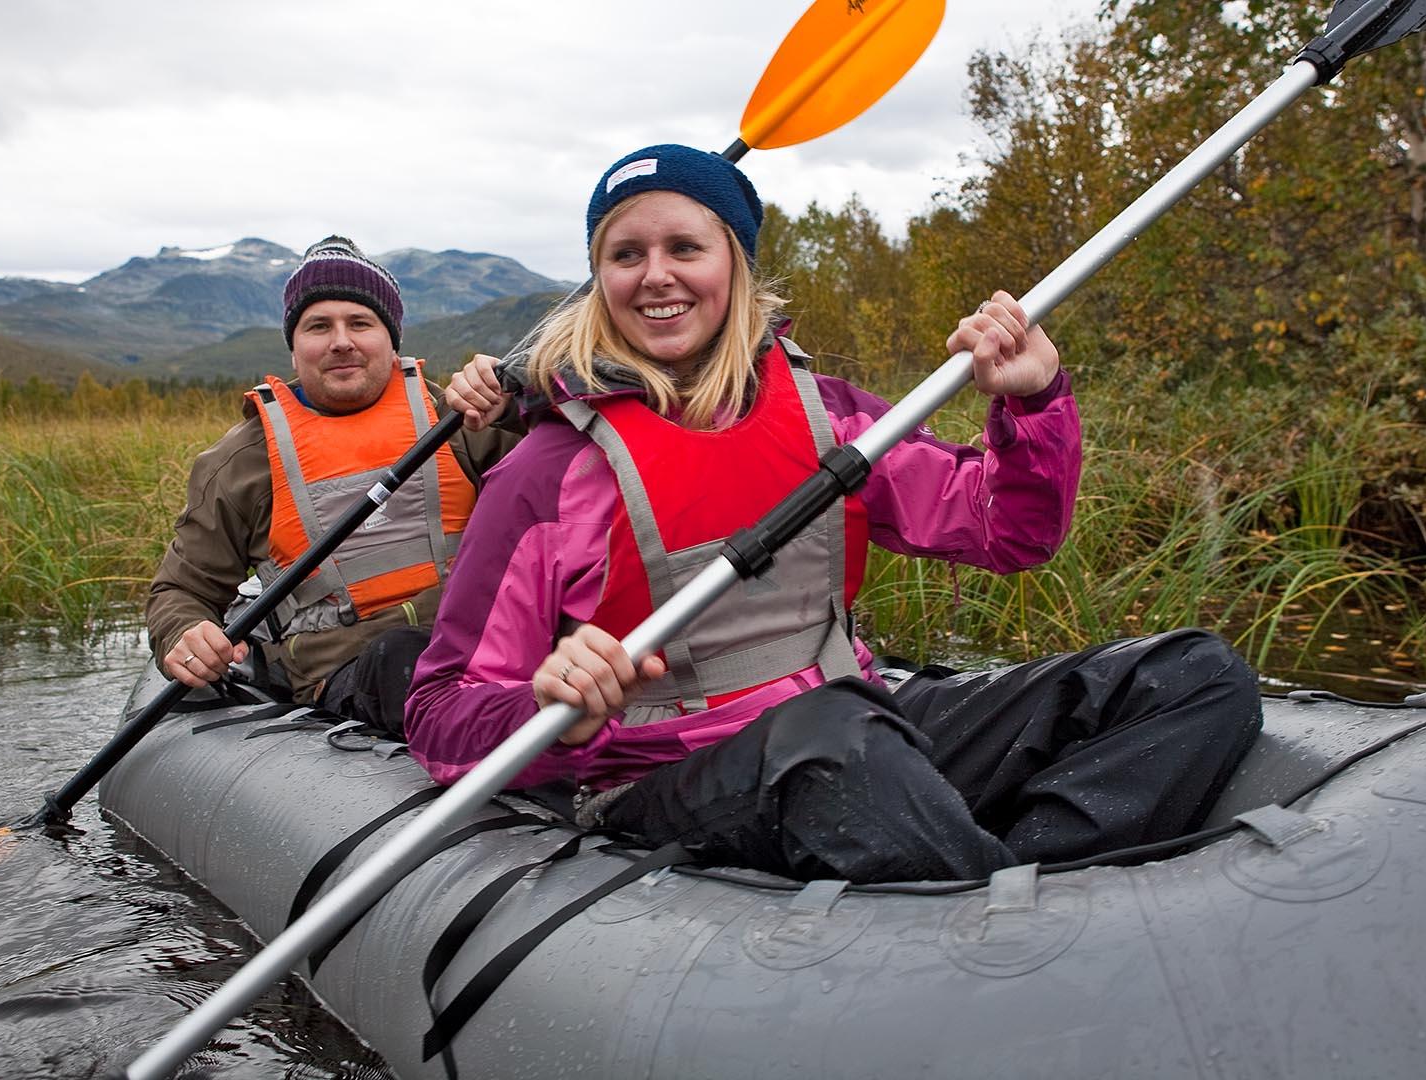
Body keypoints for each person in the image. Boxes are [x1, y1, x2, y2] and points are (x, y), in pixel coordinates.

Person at [403, 145, 1262, 883]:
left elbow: (1010, 532)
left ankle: (1032, 888)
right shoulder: (544, 473)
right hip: (670, 774)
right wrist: (555, 706)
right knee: (835, 740)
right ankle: (999, 913)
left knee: (1193, 673)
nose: (656, 275)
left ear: (734, 265)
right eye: (626, 254)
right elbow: (440, 710)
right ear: (600, 282)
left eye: (684, 247)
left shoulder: (831, 418)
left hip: (857, 725)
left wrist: (1032, 404)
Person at [147, 235, 518, 734]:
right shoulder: (240, 463)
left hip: (486, 646)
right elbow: (181, 589)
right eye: (319, 326)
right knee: (399, 655)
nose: (341, 340)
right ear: (295, 351)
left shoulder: (463, 420)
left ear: (391, 341)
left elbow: (571, 487)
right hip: (346, 677)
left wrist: (520, 402)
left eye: (360, 323)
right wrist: (183, 631)